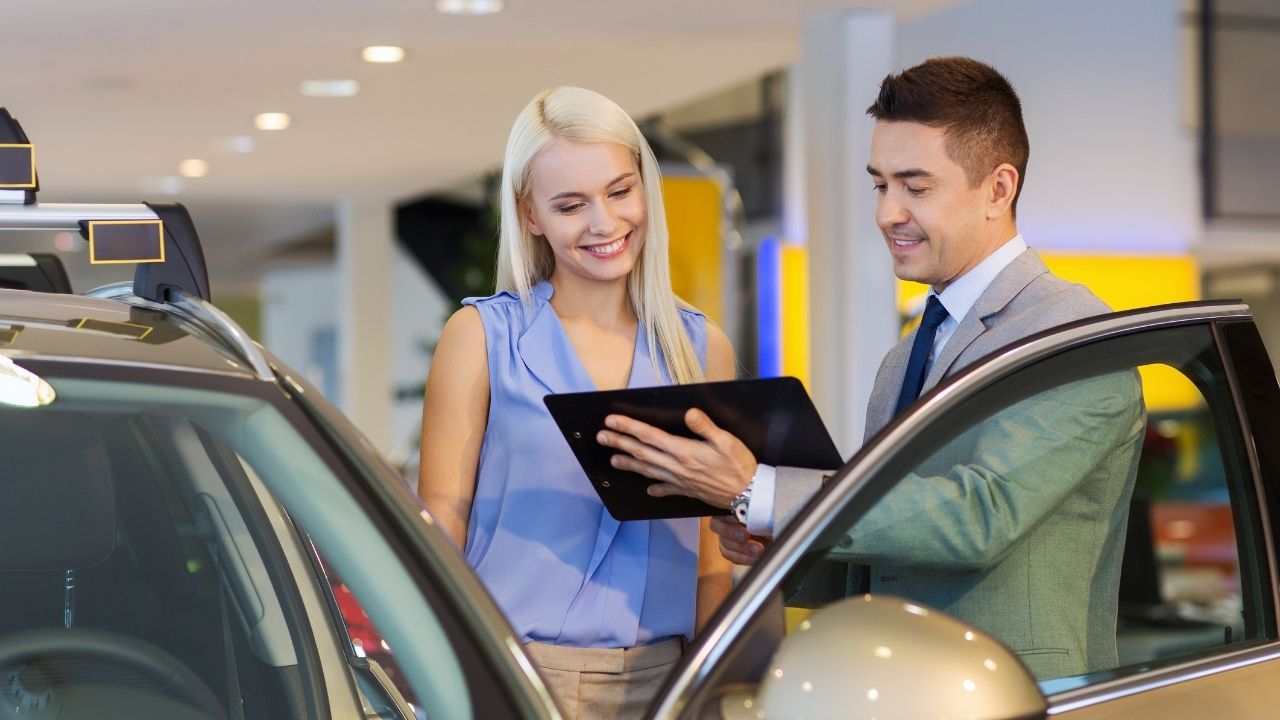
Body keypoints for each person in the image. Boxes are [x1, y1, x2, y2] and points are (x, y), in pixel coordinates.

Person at [595, 56, 1145, 679]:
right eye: (881, 185)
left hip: (1016, 693)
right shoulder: (905, 356)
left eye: (916, 186)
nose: (887, 212)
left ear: (999, 188)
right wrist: (778, 542)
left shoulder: (1068, 334)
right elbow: (887, 556)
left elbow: (979, 517)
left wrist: (762, 492)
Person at [417, 86, 735, 720]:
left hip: (668, 682)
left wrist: (716, 688)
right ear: (530, 215)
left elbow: (711, 555)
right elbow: (439, 533)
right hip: (513, 677)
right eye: (570, 204)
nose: (604, 223)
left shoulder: (701, 347)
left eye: (620, 191)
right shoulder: (481, 338)